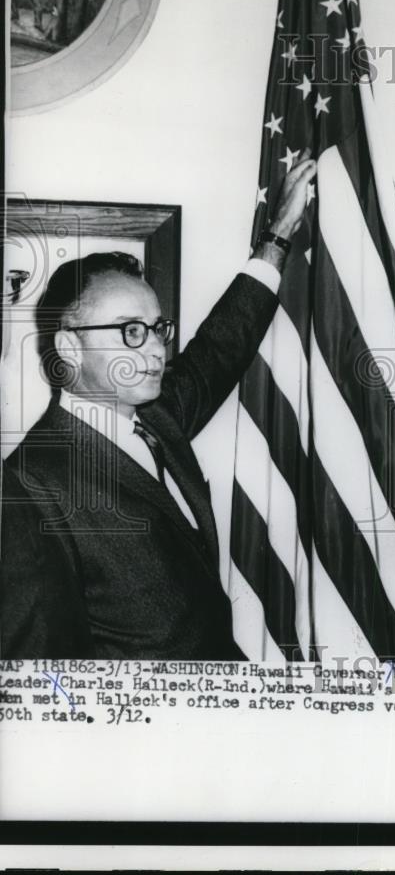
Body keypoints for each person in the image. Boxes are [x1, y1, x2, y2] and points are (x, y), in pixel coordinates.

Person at [2, 152, 316, 660]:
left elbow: (220, 347)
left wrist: (277, 236)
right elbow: (42, 669)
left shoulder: (156, 418)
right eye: (130, 332)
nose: (153, 349)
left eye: (157, 328)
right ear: (69, 348)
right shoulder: (30, 484)